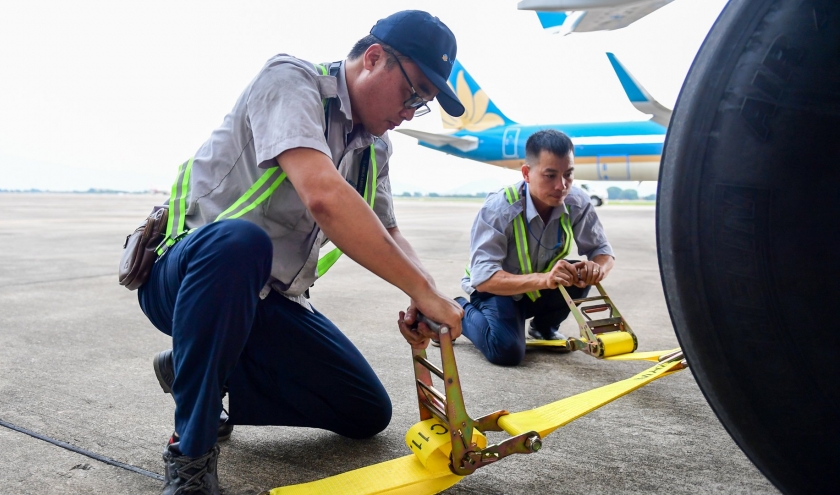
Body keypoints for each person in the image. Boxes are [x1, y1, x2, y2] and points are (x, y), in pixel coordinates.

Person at [134, 11, 465, 495]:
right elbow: (323, 195)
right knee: (241, 241)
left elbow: (389, 230)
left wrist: (427, 293)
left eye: (423, 104)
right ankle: (191, 452)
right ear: (374, 58)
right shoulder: (291, 81)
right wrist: (419, 289)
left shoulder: (374, 148)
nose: (411, 111)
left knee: (366, 411)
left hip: (265, 300)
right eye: (413, 93)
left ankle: (194, 367)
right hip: (186, 274)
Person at [455, 129, 615, 366]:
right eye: (550, 175)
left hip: (538, 288)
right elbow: (484, 279)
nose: (562, 186)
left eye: (568, 175)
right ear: (527, 173)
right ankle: (457, 309)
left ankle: (543, 328)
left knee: (576, 272)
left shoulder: (577, 202)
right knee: (506, 351)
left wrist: (596, 269)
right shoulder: (499, 209)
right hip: (496, 291)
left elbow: (603, 251)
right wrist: (544, 280)